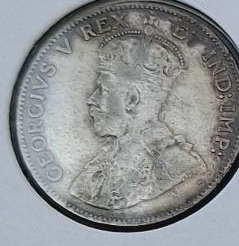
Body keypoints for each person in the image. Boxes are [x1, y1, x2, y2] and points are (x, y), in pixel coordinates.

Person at [66, 29, 208, 213]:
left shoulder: (179, 165)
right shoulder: (105, 159)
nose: (91, 99)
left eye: (102, 90)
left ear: (131, 101)